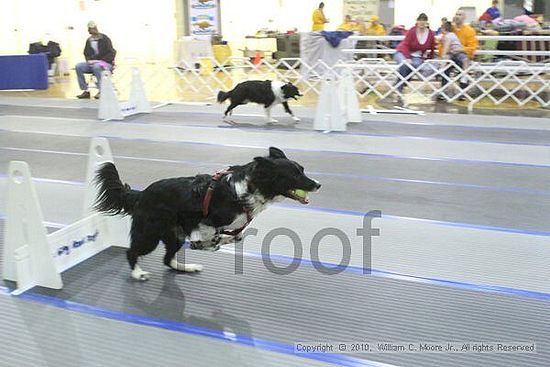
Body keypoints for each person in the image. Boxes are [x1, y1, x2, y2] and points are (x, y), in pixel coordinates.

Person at [393, 13, 436, 99]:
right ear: (417, 21)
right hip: (402, 52)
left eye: (424, 20)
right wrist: (407, 57)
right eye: (420, 20)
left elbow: (432, 47)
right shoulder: (412, 31)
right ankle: (400, 86)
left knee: (416, 66)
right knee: (405, 64)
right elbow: (405, 45)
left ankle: (401, 82)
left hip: (417, 56)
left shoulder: (430, 34)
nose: (422, 22)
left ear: (426, 22)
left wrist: (429, 58)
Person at [75, 21, 116, 99]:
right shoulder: (89, 40)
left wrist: (98, 61)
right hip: (93, 63)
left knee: (97, 67)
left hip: (106, 63)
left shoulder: (105, 39)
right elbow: (86, 53)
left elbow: (111, 53)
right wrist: (89, 61)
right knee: (78, 66)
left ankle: (102, 90)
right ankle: (85, 90)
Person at [438, 21, 470, 99]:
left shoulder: (448, 36)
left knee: (447, 61)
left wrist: (443, 55)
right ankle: (464, 78)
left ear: (443, 29)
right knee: (464, 61)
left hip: (456, 53)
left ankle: (441, 71)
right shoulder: (453, 35)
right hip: (457, 53)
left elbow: (447, 47)